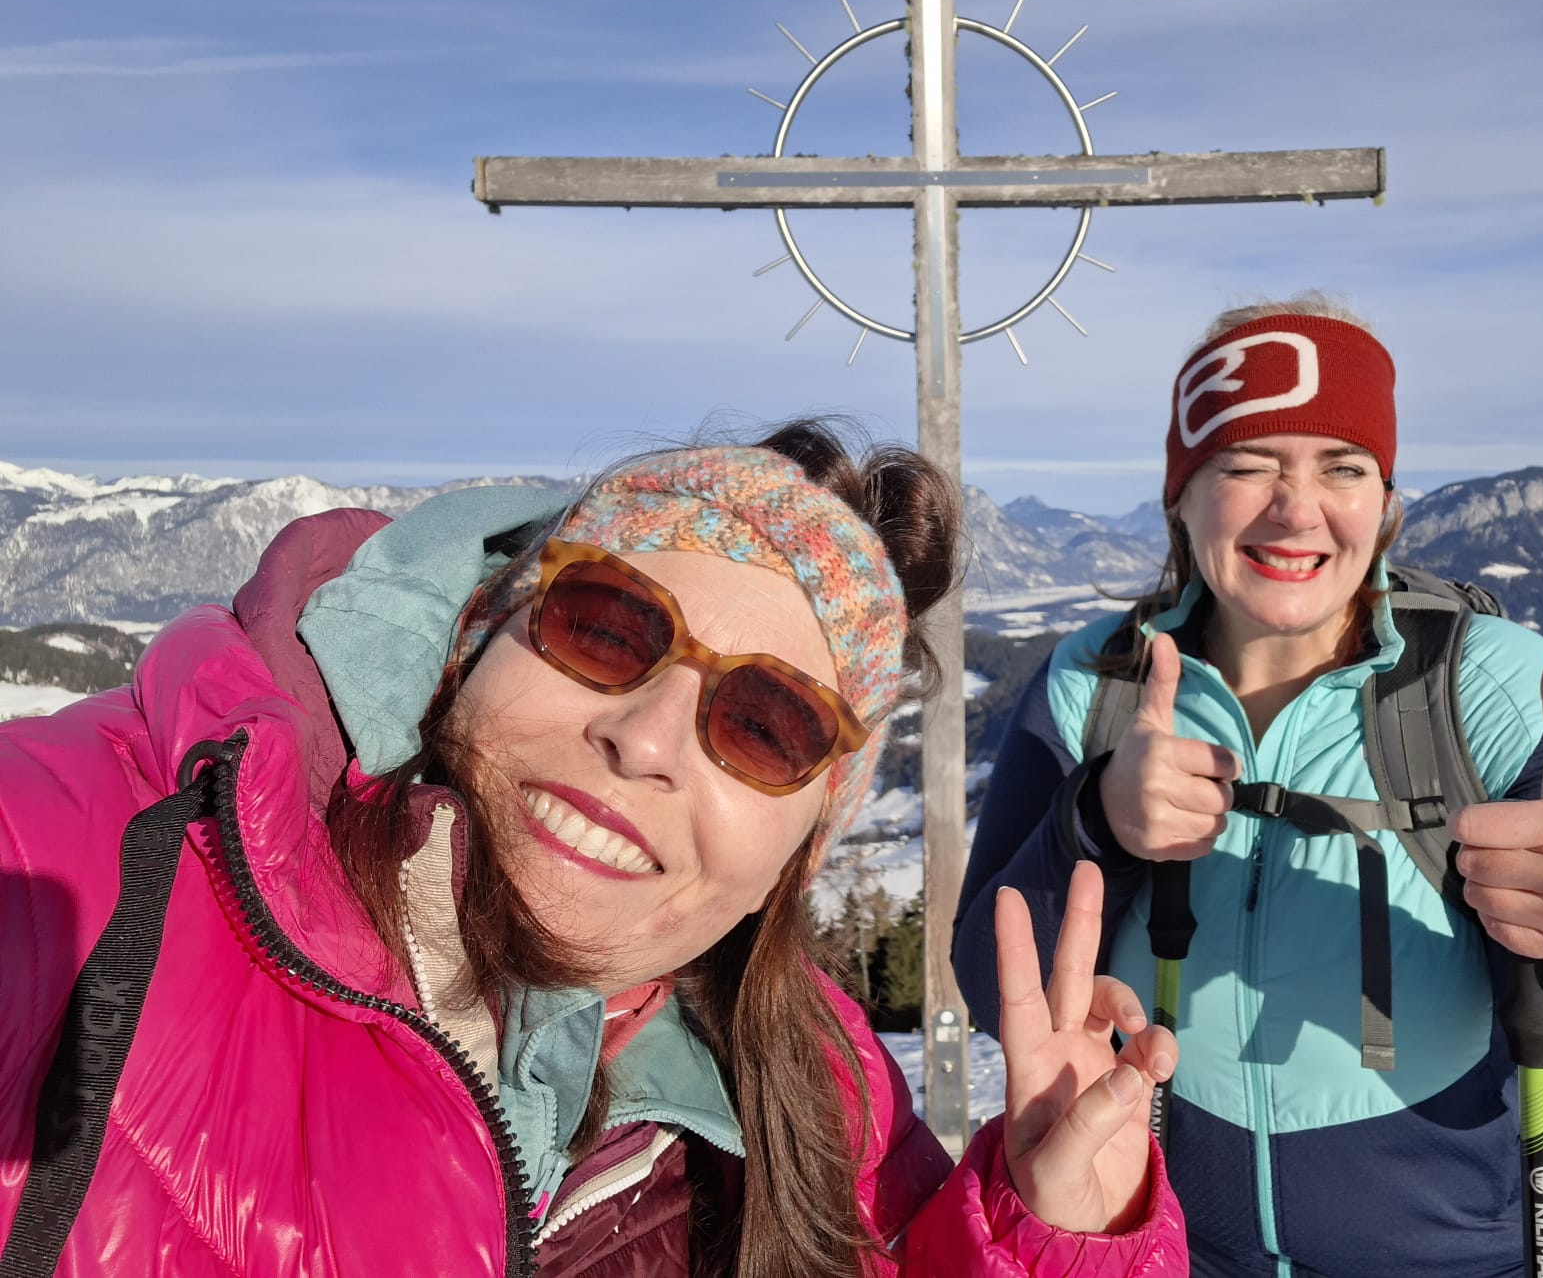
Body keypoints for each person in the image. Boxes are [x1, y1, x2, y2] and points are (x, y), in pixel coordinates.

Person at [0, 421, 1186, 1277]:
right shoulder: (93, 871)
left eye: (763, 726)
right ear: (481, 632)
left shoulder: (825, 1097)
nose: (646, 738)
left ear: (805, 836)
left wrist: (1044, 1239)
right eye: (605, 630)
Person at [953, 298, 1543, 1277]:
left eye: (1341, 468)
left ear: (1387, 505)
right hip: (1166, 1256)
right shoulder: (1090, 689)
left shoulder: (1492, 694)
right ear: (1178, 498)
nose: (1294, 510)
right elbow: (992, 993)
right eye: (1243, 466)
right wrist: (1092, 823)